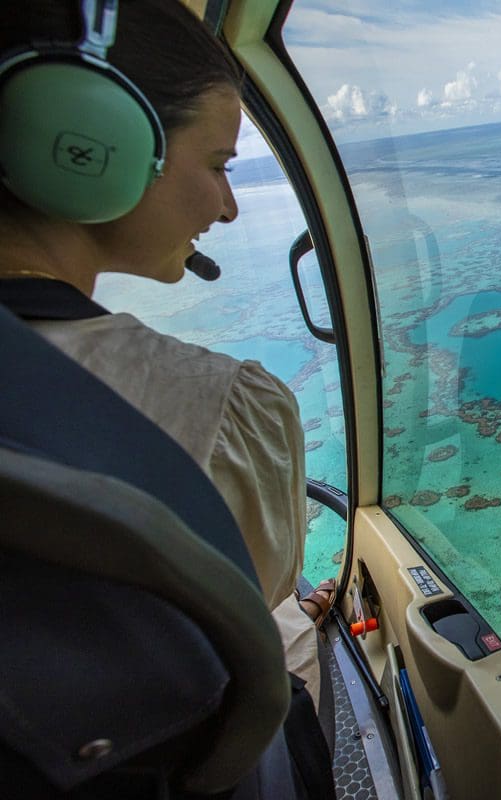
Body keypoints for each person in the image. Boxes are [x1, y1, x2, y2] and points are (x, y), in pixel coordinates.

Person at [0, 1, 331, 714]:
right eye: (217, 164)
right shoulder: (222, 410)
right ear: (93, 140)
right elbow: (256, 599)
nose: (229, 207)